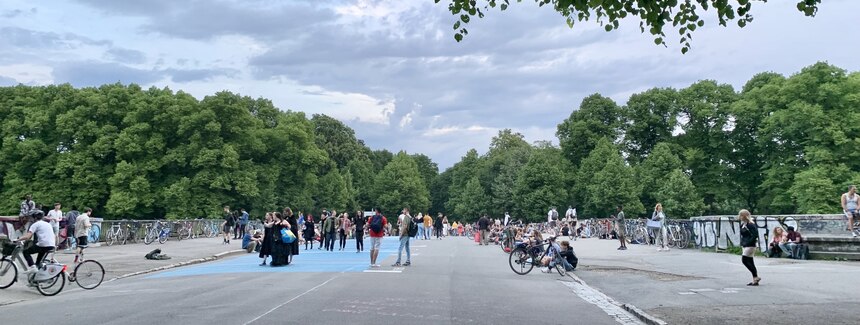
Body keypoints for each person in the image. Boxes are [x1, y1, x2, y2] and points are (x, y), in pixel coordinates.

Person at [738, 209, 760, 286]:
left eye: (740, 215)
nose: (739, 217)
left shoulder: (751, 224)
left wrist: (748, 242)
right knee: (750, 261)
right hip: (745, 244)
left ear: (744, 216)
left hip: (750, 245)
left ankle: (756, 276)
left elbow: (755, 235)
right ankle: (755, 279)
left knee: (744, 260)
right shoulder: (743, 224)